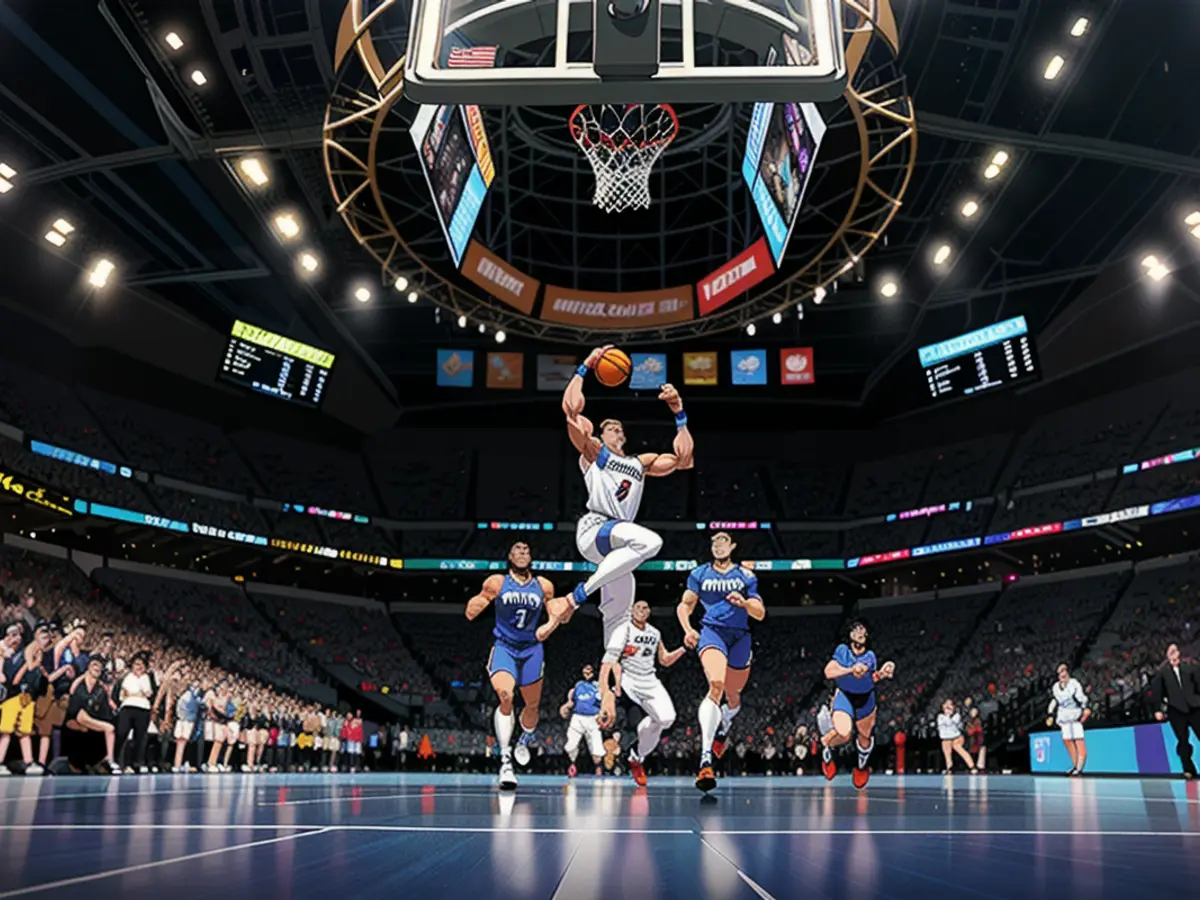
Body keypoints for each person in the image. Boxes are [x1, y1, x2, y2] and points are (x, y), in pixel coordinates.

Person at [546, 345, 694, 730]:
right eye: (608, 426)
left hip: (616, 546)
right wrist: (586, 366)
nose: (613, 430)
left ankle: (608, 699)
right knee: (651, 543)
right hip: (597, 529)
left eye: (617, 428)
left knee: (618, 625)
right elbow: (570, 409)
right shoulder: (593, 452)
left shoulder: (639, 463)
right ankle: (575, 597)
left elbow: (684, 459)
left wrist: (679, 412)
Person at [677, 533, 766, 792]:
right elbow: (684, 606)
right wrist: (688, 629)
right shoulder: (700, 574)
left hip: (740, 637)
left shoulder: (746, 576)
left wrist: (745, 602)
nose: (718, 545)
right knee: (716, 684)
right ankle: (705, 760)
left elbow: (760, 613)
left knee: (734, 696)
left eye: (723, 541)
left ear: (733, 547)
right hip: (712, 632)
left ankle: (723, 726)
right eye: (714, 542)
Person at [466, 541, 558, 790]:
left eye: (527, 550)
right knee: (505, 695)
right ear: (509, 555)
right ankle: (505, 759)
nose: (522, 552)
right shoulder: (497, 582)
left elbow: (556, 614)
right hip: (505, 646)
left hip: (532, 650)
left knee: (531, 706)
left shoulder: (543, 586)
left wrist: (551, 625)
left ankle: (524, 739)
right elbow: (471, 611)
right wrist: (479, 603)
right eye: (517, 549)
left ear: (531, 557)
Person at [608, 599, 685, 786]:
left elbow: (664, 660)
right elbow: (614, 660)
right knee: (643, 721)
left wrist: (684, 648)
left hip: (650, 680)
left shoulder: (655, 633)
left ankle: (636, 756)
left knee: (666, 719)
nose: (641, 611)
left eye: (645, 608)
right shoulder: (623, 630)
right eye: (638, 608)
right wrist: (617, 683)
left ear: (649, 612)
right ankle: (637, 754)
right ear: (631, 611)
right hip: (629, 681)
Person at [816, 619, 895, 789]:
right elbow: (829, 672)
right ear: (850, 635)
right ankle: (828, 750)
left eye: (863, 629)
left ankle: (861, 765)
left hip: (866, 698)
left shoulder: (870, 656)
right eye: (856, 629)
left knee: (865, 736)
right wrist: (851, 670)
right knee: (844, 733)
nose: (860, 631)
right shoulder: (842, 651)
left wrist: (883, 673)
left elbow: (872, 677)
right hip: (845, 695)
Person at [1150, 643, 1200, 778]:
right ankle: (1188, 768)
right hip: (1176, 710)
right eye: (1169, 651)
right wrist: (1158, 709)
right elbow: (1157, 691)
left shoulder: (1190, 667)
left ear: (1179, 652)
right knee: (1182, 740)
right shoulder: (1163, 672)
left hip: (1195, 708)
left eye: (1174, 650)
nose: (1172, 653)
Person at [66, 655, 120, 774]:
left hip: (92, 718)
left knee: (109, 728)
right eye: (94, 665)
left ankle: (109, 759)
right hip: (79, 715)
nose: (97, 668)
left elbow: (106, 708)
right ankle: (109, 759)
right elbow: (72, 692)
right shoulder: (80, 684)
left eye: (99, 667)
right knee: (108, 729)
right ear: (88, 667)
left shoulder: (100, 689)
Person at [560, 663, 605, 778]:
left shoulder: (599, 686)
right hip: (578, 718)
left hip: (593, 718)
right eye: (585, 670)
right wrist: (565, 707)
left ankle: (598, 768)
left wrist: (603, 714)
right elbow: (571, 702)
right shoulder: (578, 685)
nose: (587, 673)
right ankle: (572, 765)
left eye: (589, 670)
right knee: (571, 744)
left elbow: (604, 703)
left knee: (596, 748)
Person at [114, 652, 155, 774]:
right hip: (127, 707)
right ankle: (116, 761)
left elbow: (148, 693)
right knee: (122, 733)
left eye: (142, 665)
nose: (139, 667)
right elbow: (122, 695)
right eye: (137, 664)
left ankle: (135, 763)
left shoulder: (146, 678)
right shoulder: (126, 677)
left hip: (143, 708)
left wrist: (137, 691)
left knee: (140, 737)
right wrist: (137, 693)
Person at [1047, 663, 1090, 776]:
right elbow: (1055, 700)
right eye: (1060, 672)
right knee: (1067, 741)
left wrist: (1085, 707)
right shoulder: (1056, 687)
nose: (1062, 673)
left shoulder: (1074, 684)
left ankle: (1079, 768)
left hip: (1075, 715)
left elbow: (1081, 698)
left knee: (1079, 740)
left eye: (1064, 671)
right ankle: (1074, 765)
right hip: (1063, 717)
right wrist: (1050, 713)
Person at [937, 699, 977, 774]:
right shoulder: (940, 716)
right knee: (947, 751)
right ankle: (949, 767)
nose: (948, 706)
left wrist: (948, 715)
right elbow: (942, 725)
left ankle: (972, 766)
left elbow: (951, 723)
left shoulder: (957, 715)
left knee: (959, 748)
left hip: (956, 737)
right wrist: (947, 716)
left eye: (950, 705)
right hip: (946, 738)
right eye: (946, 704)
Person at [965, 707, 985, 772]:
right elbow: (967, 730)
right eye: (972, 711)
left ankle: (977, 766)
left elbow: (978, 730)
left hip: (977, 739)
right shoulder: (968, 721)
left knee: (977, 749)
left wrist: (972, 730)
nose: (973, 713)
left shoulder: (978, 720)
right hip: (969, 739)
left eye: (975, 712)